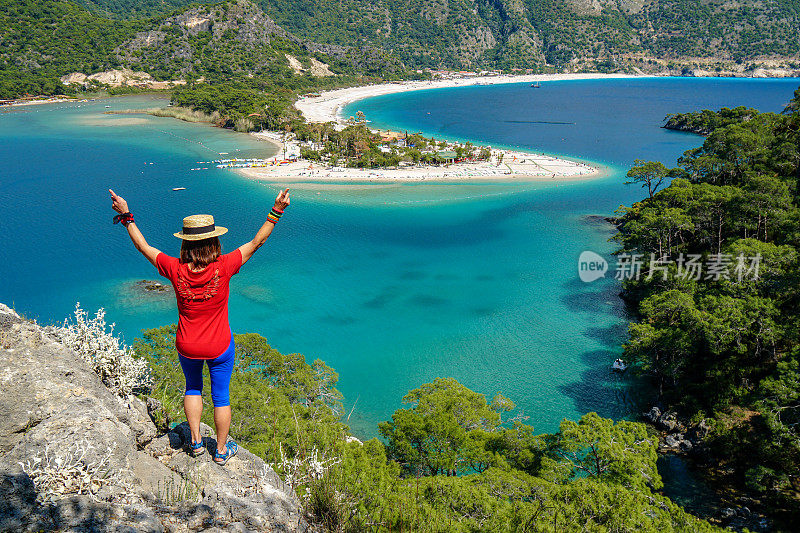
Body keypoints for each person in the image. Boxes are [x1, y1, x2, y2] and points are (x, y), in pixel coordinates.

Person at [109, 188, 291, 465]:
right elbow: (256, 243)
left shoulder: (174, 268)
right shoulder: (225, 265)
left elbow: (143, 247)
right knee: (221, 396)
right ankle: (220, 450)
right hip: (219, 345)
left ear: (185, 244)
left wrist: (126, 215)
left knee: (193, 387)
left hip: (187, 344)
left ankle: (194, 443)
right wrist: (276, 210)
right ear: (214, 241)